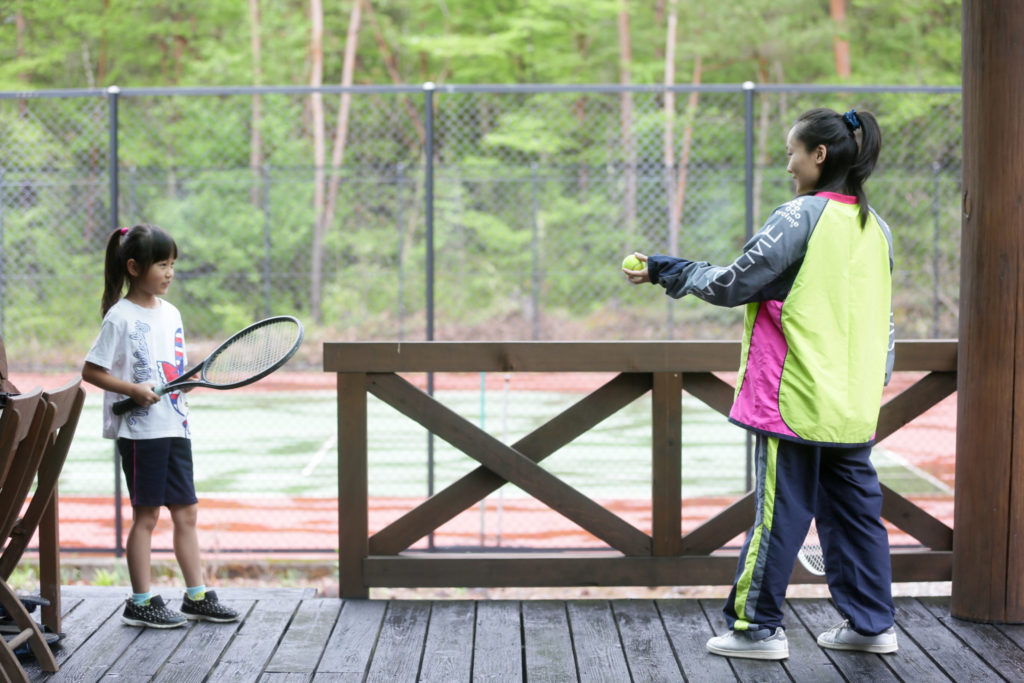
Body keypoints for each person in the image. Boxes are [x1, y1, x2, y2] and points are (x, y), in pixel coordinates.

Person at [624, 108, 897, 660]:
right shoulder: (877, 227)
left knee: (778, 513)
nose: (788, 164)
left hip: (794, 399)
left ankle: (757, 630)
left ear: (819, 155)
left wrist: (665, 270)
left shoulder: (800, 216)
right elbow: (883, 322)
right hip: (854, 404)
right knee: (857, 516)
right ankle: (871, 625)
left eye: (793, 152)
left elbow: (732, 284)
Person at [83, 224, 239, 628]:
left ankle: (198, 596)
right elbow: (91, 371)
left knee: (186, 513)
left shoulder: (171, 314)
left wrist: (182, 384)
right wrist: (132, 391)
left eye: (173, 264)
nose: (170, 272)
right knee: (147, 517)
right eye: (162, 264)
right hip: (140, 433)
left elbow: (169, 367)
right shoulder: (119, 317)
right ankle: (140, 601)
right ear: (134, 267)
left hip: (175, 425)